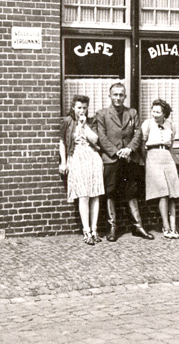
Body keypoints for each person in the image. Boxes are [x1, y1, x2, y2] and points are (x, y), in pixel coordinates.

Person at [95, 83, 154, 242]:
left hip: (129, 158)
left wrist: (129, 149)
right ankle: (112, 227)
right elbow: (102, 137)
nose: (118, 98)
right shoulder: (102, 115)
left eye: (121, 95)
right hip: (111, 159)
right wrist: (116, 152)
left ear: (125, 96)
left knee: (131, 192)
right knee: (111, 191)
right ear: (110, 96)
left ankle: (138, 226)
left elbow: (138, 134)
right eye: (115, 94)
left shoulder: (132, 113)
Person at [59, 95, 104, 245]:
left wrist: (84, 126)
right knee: (83, 194)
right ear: (73, 108)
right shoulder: (67, 122)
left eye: (84, 108)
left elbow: (95, 140)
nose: (82, 110)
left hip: (92, 158)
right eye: (79, 107)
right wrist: (63, 163)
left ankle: (94, 229)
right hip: (77, 158)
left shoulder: (91, 122)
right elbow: (62, 143)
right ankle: (86, 231)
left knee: (95, 194)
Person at [141, 99, 179, 239]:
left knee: (172, 193)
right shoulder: (147, 124)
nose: (154, 114)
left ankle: (173, 227)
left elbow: (171, 143)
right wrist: (146, 160)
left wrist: (167, 153)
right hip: (153, 157)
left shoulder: (171, 125)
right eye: (153, 111)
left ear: (164, 113)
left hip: (167, 157)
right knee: (162, 192)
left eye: (158, 112)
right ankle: (165, 226)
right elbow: (143, 143)